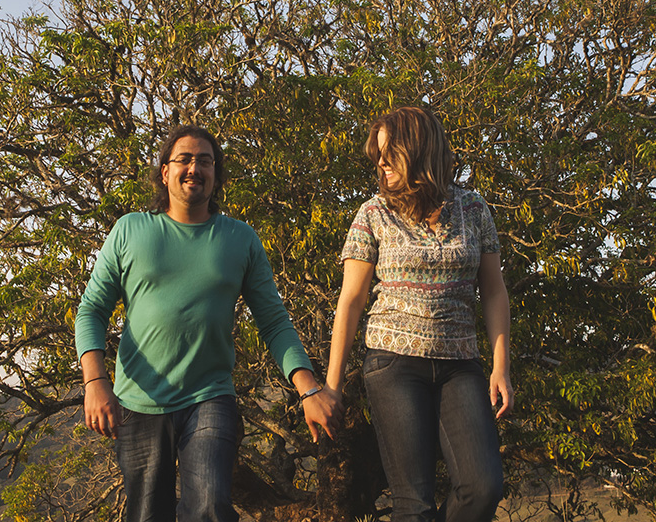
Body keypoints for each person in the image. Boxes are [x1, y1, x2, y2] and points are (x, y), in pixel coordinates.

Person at [76, 124, 342, 522]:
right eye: (183, 159)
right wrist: (96, 383)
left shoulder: (239, 239)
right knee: (147, 514)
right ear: (164, 171)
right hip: (138, 402)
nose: (194, 168)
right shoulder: (131, 230)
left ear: (216, 174)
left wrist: (308, 388)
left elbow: (273, 320)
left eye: (205, 161)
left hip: (210, 396)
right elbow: (91, 310)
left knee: (211, 508)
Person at [326, 106, 513, 522]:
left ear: (418, 151)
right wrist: (332, 386)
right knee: (414, 505)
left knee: (483, 486)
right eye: (377, 155)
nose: (381, 164)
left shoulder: (473, 209)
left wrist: (501, 367)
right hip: (393, 364)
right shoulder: (373, 213)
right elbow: (351, 301)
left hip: (461, 363)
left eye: (389, 153)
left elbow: (494, 291)